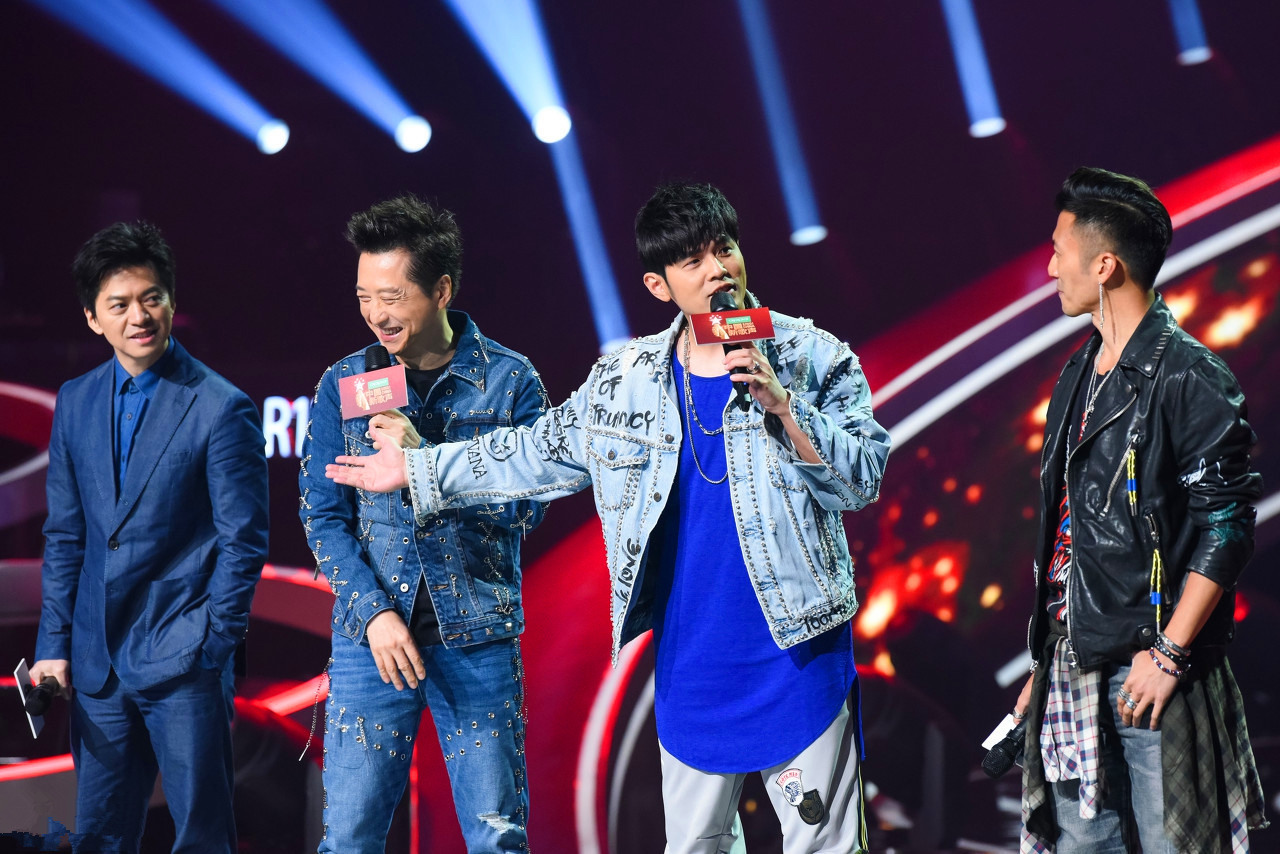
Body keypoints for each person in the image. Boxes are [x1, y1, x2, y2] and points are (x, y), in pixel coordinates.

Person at [325, 183, 891, 853]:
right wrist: (420, 470)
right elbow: (532, 453)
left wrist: (785, 409)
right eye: (693, 261)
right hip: (690, 660)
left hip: (797, 650)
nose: (717, 271)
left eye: (725, 250)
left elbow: (863, 477)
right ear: (659, 285)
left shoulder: (811, 355)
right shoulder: (627, 379)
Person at [1013, 167, 1268, 852]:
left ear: (1104, 266)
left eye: (1059, 253)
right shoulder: (1077, 374)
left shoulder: (1189, 375)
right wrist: (1044, 664)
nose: (1049, 269)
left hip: (1150, 670)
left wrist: (1171, 652)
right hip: (1072, 666)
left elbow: (1227, 526)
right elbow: (1068, 534)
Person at [299, 195, 550, 853]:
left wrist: (427, 463)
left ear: (441, 289)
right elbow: (322, 516)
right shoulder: (345, 382)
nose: (376, 314)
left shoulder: (509, 380)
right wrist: (374, 614)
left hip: (479, 637)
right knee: (349, 840)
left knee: (496, 839)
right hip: (372, 641)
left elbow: (530, 507)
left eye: (392, 296)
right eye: (364, 297)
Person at [31, 221, 270, 852]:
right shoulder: (75, 400)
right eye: (119, 305)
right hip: (96, 665)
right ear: (93, 318)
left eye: (151, 298)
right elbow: (66, 535)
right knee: (100, 838)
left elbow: (244, 540)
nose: (139, 316)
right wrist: (53, 644)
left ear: (170, 300)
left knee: (201, 838)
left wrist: (213, 642)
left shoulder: (221, 406)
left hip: (185, 659)